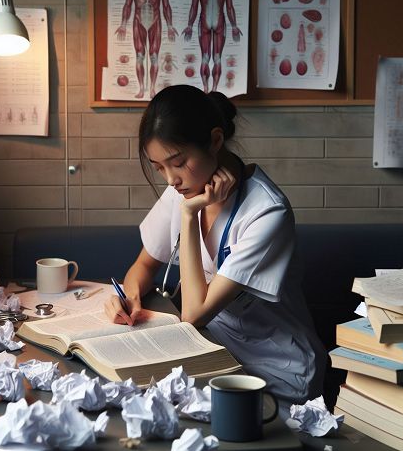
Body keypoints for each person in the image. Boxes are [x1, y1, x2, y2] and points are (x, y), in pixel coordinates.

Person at [104, 84, 326, 417]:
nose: (170, 179)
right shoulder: (185, 189)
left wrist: (190, 214)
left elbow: (194, 314)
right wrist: (131, 295)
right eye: (158, 167)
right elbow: (145, 265)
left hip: (274, 369)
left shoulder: (266, 212)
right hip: (212, 353)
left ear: (216, 140)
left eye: (178, 163)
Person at [115, 0, 178, 99]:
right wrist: (123, 24)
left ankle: (152, 89)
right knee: (139, 56)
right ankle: (141, 88)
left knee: (154, 56)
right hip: (139, 21)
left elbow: (166, 5)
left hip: (155, 21)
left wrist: (169, 26)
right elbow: (127, 5)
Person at [182, 0, 242, 93]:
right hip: (219, 21)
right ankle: (214, 90)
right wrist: (234, 26)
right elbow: (229, 7)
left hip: (204, 22)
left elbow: (194, 7)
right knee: (217, 58)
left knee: (205, 57)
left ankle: (205, 88)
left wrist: (190, 25)